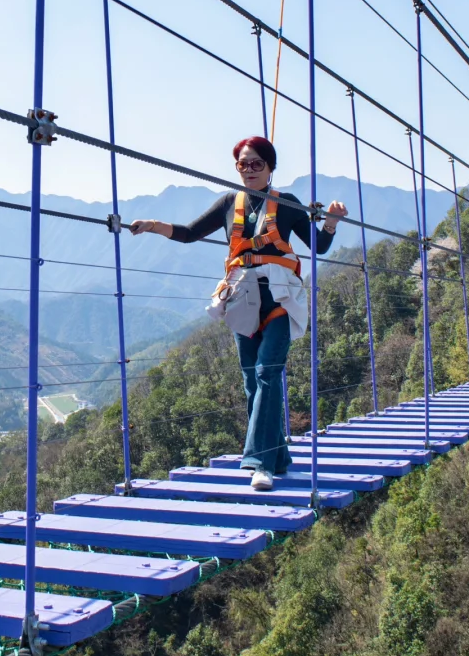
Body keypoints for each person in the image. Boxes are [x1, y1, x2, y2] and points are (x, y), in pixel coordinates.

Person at [130, 136, 347, 489]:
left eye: (256, 164)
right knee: (252, 381)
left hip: (279, 298)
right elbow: (189, 233)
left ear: (270, 167)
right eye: (242, 164)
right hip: (242, 298)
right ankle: (277, 457)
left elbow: (318, 245)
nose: (248, 170)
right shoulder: (231, 202)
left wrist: (332, 221)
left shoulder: (287, 204)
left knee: (266, 372)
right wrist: (154, 225)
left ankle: (258, 463)